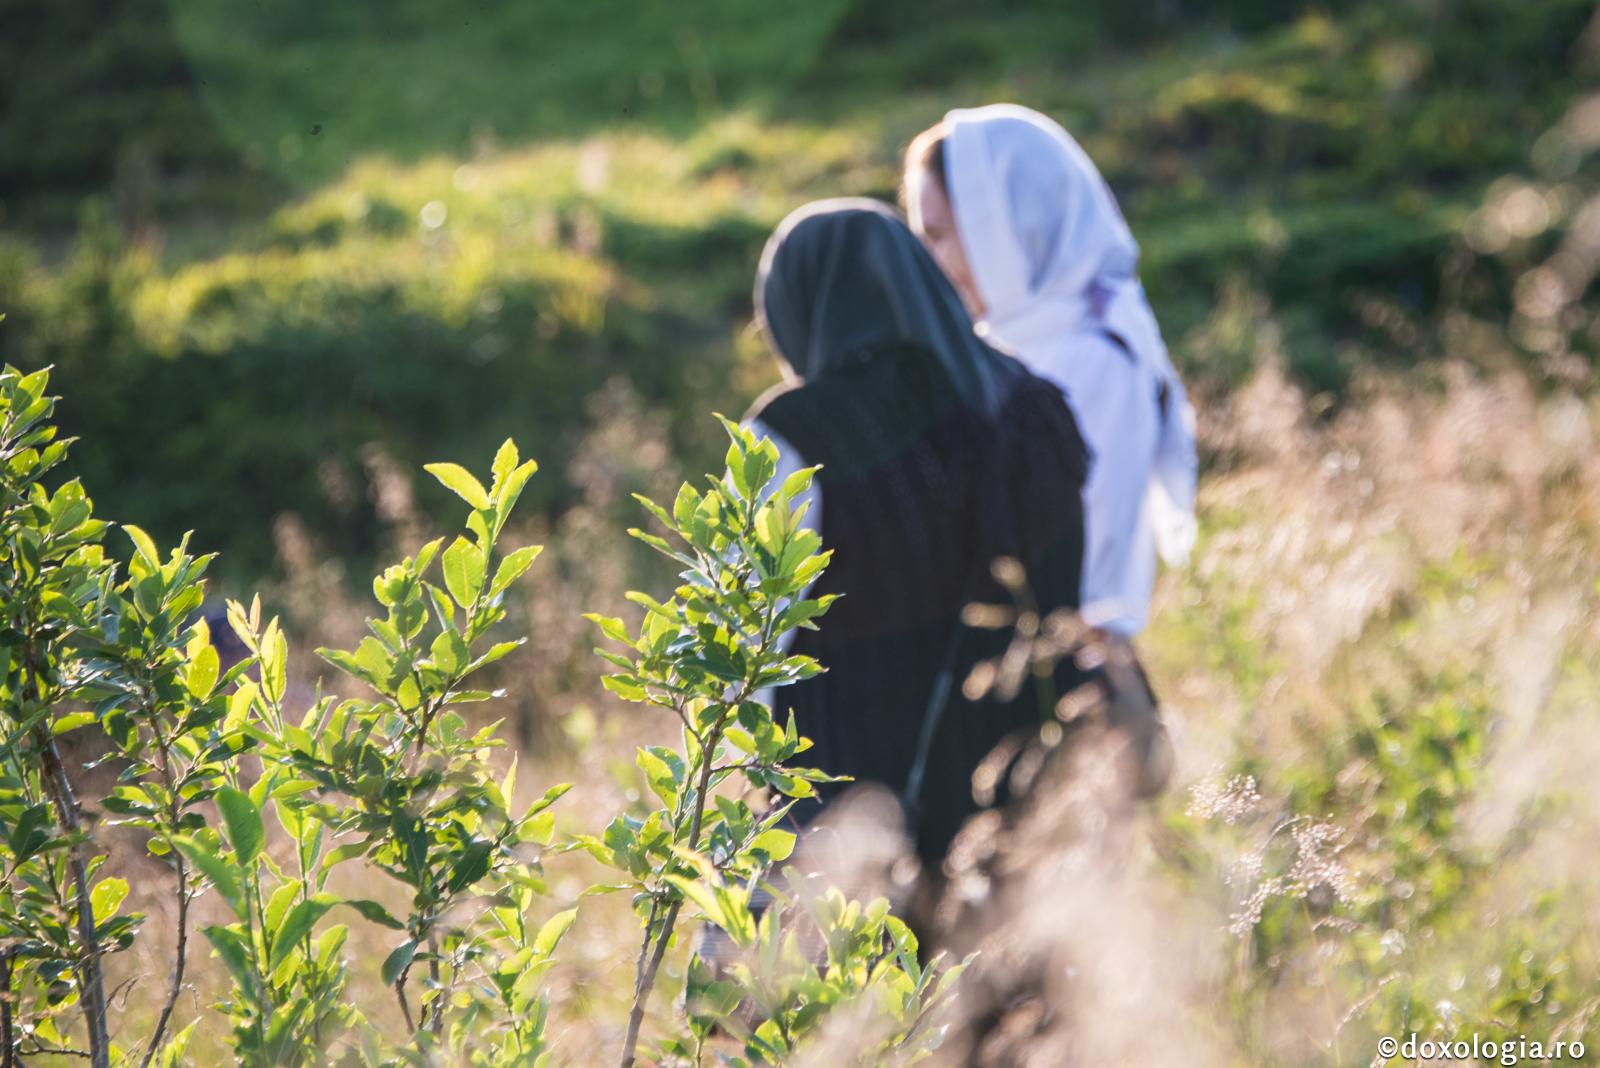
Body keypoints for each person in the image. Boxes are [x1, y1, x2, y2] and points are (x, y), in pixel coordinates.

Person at [745, 198, 1093, 869]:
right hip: (1027, 815)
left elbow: (743, 652)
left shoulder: (794, 434)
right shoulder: (1034, 406)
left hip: (851, 836)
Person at [903, 104, 1199, 640]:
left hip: (1061, 677)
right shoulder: (1016, 349)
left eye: (939, 235)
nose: (926, 264)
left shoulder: (1089, 360)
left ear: (1009, 226)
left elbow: (1078, 567)